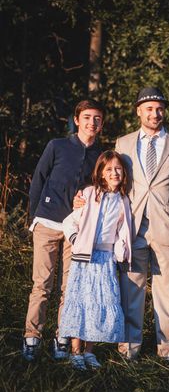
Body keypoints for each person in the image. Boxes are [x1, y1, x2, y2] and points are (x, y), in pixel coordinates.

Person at [114, 87, 169, 360]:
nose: (155, 113)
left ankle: (168, 350)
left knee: (168, 295)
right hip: (132, 228)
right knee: (131, 291)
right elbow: (116, 184)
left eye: (159, 108)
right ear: (138, 111)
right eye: (149, 108)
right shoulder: (123, 144)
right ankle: (129, 348)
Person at [22, 99, 104, 362]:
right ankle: (32, 337)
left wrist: (88, 196)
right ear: (77, 120)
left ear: (101, 124)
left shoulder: (100, 155)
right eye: (87, 117)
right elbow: (39, 179)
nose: (92, 122)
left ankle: (62, 337)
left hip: (76, 228)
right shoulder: (57, 146)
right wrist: (33, 216)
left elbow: (102, 188)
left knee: (70, 288)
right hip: (47, 223)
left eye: (97, 118)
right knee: (41, 284)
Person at [59, 151, 132, 370]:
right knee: (81, 301)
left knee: (99, 303)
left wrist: (120, 250)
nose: (114, 173)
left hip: (105, 258)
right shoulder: (89, 194)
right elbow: (69, 222)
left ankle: (89, 351)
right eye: (108, 169)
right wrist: (76, 240)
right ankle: (75, 351)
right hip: (84, 258)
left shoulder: (123, 200)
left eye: (118, 169)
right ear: (100, 173)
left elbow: (122, 231)